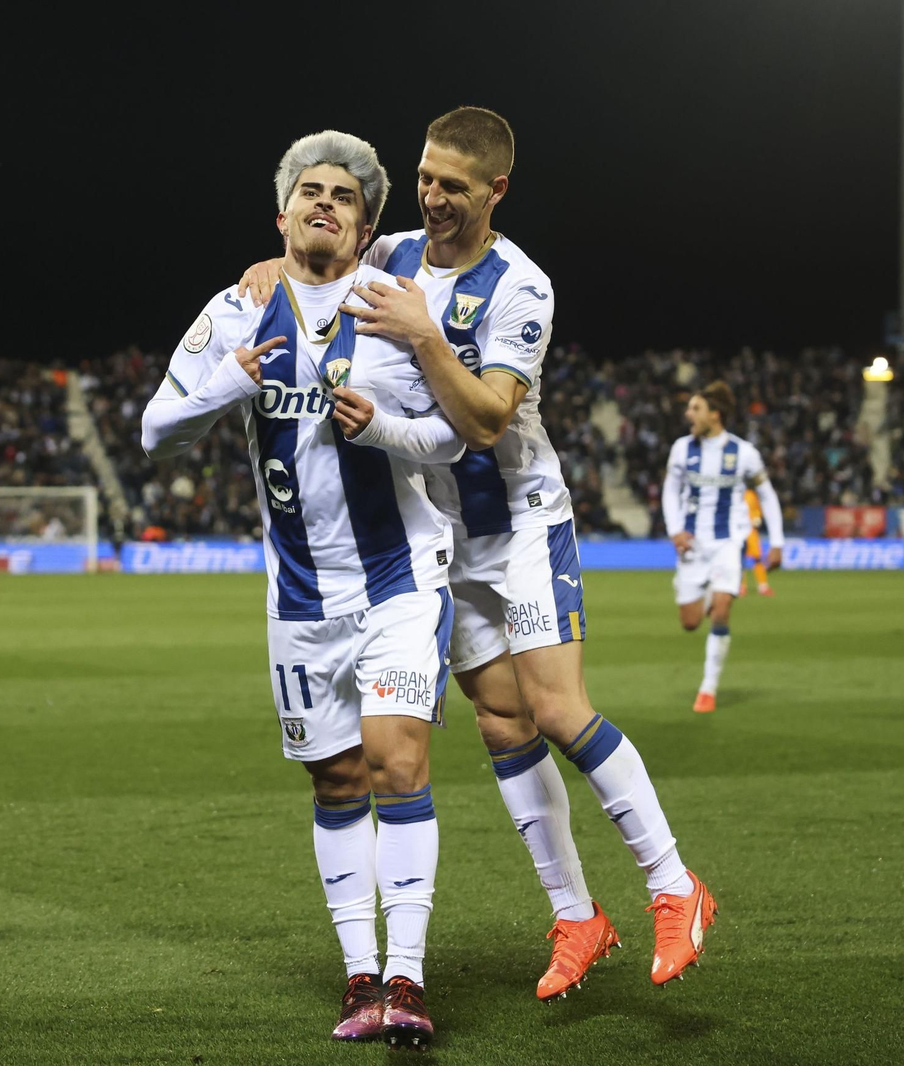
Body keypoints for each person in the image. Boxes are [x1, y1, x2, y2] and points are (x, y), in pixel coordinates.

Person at [243, 106, 715, 998]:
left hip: (524, 525)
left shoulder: (520, 288)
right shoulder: (394, 256)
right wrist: (270, 266)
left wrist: (424, 335)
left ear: (496, 189)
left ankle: (673, 884)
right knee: (502, 723)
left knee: (556, 705)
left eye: (453, 187)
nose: (433, 198)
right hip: (440, 540)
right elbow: (317, 265)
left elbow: (488, 419)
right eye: (425, 180)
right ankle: (577, 915)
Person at [142, 130, 466, 1049]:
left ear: (367, 226)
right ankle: (358, 978)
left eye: (345, 196)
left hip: (400, 578)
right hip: (299, 599)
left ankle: (405, 977)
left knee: (398, 761)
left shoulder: (396, 308)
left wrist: (386, 433)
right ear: (281, 215)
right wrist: (222, 385)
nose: (326, 203)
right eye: (309, 191)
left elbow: (449, 437)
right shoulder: (236, 311)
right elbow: (154, 427)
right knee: (336, 779)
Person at [663, 381, 784, 713]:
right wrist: (675, 531)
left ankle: (708, 689)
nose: (689, 413)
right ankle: (705, 596)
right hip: (692, 545)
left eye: (695, 408)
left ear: (714, 415)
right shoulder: (681, 449)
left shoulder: (743, 452)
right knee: (690, 622)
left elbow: (767, 494)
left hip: (729, 541)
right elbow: (671, 492)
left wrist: (777, 541)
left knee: (722, 609)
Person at [738, 487, 774, 597]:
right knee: (739, 559)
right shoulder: (736, 493)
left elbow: (758, 510)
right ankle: (741, 586)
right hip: (738, 530)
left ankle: (763, 586)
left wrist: (757, 518)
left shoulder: (752, 494)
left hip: (751, 531)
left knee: (757, 558)